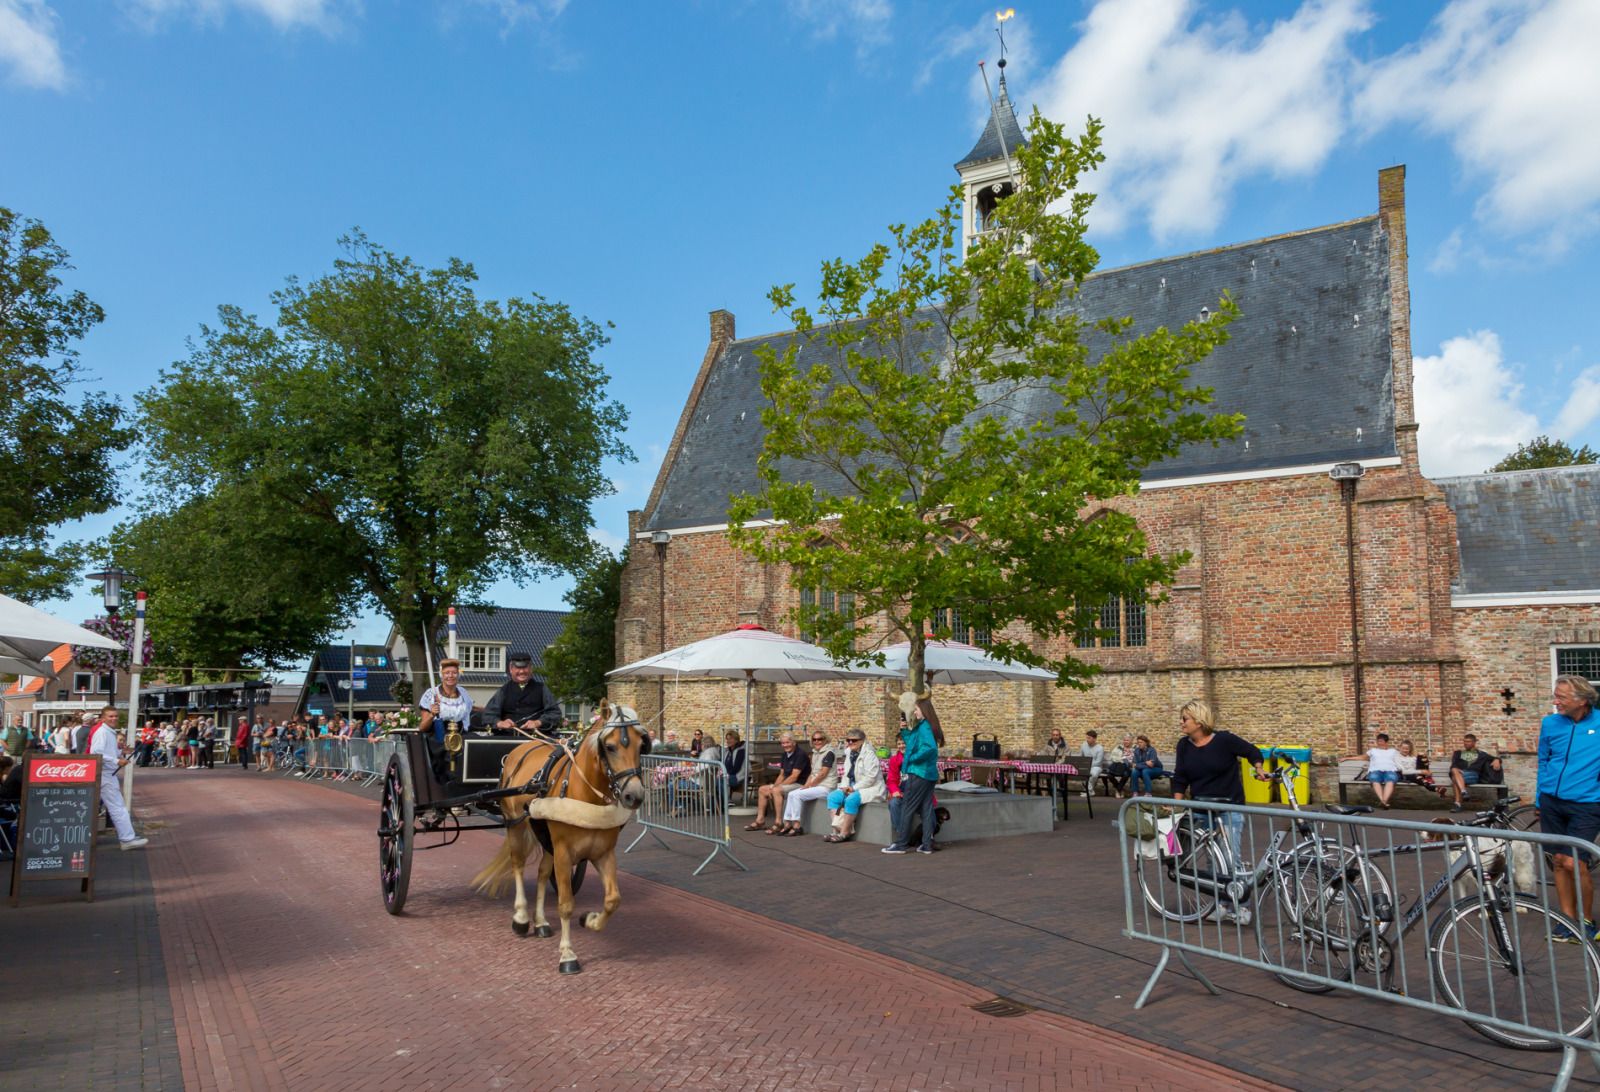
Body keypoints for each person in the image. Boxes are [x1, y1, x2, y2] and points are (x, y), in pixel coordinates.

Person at [1170, 698, 1267, 920]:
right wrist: (1176, 805)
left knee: (1231, 857)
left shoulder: (1224, 740)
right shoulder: (1184, 745)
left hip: (1228, 807)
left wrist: (1259, 768)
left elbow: (1252, 751)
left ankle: (1242, 907)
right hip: (1201, 808)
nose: (1181, 723)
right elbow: (1180, 777)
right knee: (1213, 861)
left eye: (1185, 719)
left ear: (1199, 721)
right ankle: (1221, 905)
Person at [1537, 675, 1600, 942]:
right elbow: (1544, 760)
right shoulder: (1550, 723)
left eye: (1561, 697)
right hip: (1552, 801)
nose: (1556, 701)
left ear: (1582, 700)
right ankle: (1567, 921)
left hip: (1587, 803)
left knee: (1575, 862)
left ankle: (1586, 922)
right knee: (1559, 863)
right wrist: (1540, 798)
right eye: (1556, 695)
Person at [884, 692, 942, 856]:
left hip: (918, 773)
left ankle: (901, 844)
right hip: (928, 775)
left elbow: (929, 748)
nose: (914, 712)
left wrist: (912, 759)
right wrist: (904, 731)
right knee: (926, 807)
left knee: (907, 807)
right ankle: (926, 845)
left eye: (916, 709)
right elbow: (914, 743)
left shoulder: (924, 726)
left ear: (923, 710)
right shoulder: (924, 726)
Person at [81, 705, 147, 851]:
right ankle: (127, 838)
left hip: (106, 774)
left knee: (108, 806)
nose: (114, 718)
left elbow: (106, 751)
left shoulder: (108, 732)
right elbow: (96, 753)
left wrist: (120, 751)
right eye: (110, 716)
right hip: (104, 774)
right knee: (117, 807)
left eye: (115, 716)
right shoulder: (102, 732)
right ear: (103, 718)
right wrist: (116, 761)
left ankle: (127, 836)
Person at [476, 651, 563, 738]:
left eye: (525, 668)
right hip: (507, 738)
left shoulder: (542, 689)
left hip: (537, 738)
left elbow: (555, 713)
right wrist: (500, 723)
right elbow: (488, 715)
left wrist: (538, 722)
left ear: (531, 668)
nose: (521, 671)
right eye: (518, 668)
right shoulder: (503, 691)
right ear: (511, 669)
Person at [774, 730, 841, 836]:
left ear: (825, 740)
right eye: (814, 739)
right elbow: (812, 773)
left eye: (820, 739)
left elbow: (822, 774)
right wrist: (806, 785)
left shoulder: (829, 753)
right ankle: (787, 823)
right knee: (792, 794)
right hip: (817, 786)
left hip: (826, 787)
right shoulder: (815, 753)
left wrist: (810, 785)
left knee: (796, 795)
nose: (817, 741)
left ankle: (796, 826)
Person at [418, 658, 474, 783]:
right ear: (441, 675)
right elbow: (422, 727)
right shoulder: (431, 694)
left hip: (460, 733)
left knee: (474, 745)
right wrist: (432, 714)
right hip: (438, 735)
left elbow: (472, 710)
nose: (450, 676)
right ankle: (450, 782)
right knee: (449, 750)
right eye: (447, 673)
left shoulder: (464, 693)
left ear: (458, 674)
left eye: (454, 672)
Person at [824, 728, 884, 842]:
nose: (850, 743)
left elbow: (871, 778)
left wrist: (853, 788)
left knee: (851, 799)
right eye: (848, 740)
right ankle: (837, 830)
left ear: (862, 740)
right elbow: (847, 774)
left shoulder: (870, 755)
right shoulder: (849, 753)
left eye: (854, 740)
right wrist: (844, 787)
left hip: (871, 788)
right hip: (851, 786)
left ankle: (844, 833)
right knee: (833, 797)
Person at [745, 731, 809, 832]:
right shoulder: (785, 755)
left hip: (800, 784)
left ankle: (779, 822)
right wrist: (773, 786)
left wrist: (775, 788)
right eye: (783, 743)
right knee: (762, 789)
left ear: (793, 742)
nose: (785, 745)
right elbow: (782, 774)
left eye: (787, 742)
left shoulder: (800, 754)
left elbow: (794, 776)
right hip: (789, 783)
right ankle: (760, 820)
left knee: (776, 791)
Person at [1441, 732, 1502, 812]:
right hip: (1460, 774)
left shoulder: (1481, 754)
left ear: (1474, 742)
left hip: (1473, 775)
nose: (1466, 743)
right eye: (1464, 741)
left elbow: (1494, 758)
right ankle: (1463, 792)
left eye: (1468, 741)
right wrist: (1456, 768)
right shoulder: (1458, 753)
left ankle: (1458, 804)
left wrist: (1497, 760)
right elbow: (1453, 765)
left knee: (1454, 778)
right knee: (1454, 770)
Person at [1354, 732, 1401, 809]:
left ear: (1386, 742)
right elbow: (1363, 757)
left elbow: (1403, 757)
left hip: (1390, 770)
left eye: (1381, 741)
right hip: (1375, 770)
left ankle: (1384, 801)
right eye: (1378, 741)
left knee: (1391, 779)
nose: (1379, 743)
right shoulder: (1373, 750)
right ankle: (1383, 801)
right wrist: (1347, 758)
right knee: (1374, 778)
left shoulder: (1393, 751)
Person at [1105, 733, 1134, 798]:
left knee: (1126, 774)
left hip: (1129, 767)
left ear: (1131, 741)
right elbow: (1112, 757)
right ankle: (1121, 789)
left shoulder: (1134, 749)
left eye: (1127, 740)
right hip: (1118, 767)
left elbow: (1136, 759)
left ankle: (1118, 790)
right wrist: (1122, 760)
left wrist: (1129, 763)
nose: (1125, 742)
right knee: (1109, 775)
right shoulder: (1118, 748)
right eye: (1124, 740)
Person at [721, 730, 746, 796]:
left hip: (738, 776)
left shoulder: (741, 751)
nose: (728, 741)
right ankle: (720, 801)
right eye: (727, 739)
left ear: (736, 740)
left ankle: (726, 801)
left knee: (720, 780)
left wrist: (725, 774)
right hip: (728, 775)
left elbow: (736, 768)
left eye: (731, 739)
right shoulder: (727, 751)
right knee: (714, 780)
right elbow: (723, 764)